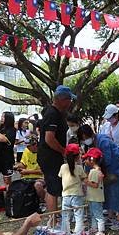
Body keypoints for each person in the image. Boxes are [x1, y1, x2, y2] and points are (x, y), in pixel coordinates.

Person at [77, 125, 119, 231]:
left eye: (85, 137)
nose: (85, 140)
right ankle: (110, 216)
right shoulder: (94, 142)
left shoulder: (103, 141)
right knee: (108, 192)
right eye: (83, 139)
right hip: (106, 170)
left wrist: (95, 169)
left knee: (117, 192)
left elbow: (107, 159)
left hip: (116, 167)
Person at [38, 85, 74, 215]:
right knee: (53, 188)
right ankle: (53, 219)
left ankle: (54, 215)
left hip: (52, 156)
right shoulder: (52, 114)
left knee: (54, 187)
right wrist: (63, 151)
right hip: (50, 156)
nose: (70, 103)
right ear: (62, 99)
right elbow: (49, 138)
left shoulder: (57, 113)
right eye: (69, 99)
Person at [58, 144, 87, 234]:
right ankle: (78, 234)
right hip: (77, 194)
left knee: (65, 216)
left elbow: (60, 176)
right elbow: (84, 179)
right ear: (78, 156)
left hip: (66, 195)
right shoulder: (79, 168)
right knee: (78, 216)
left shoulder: (63, 167)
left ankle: (65, 233)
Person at [83, 147, 106, 235]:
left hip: (95, 197)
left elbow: (95, 185)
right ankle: (94, 228)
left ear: (91, 159)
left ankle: (101, 230)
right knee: (93, 213)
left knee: (97, 214)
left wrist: (85, 181)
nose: (85, 161)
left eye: (87, 158)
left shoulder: (94, 172)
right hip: (94, 197)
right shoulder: (98, 170)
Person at [16, 135, 46, 202]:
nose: (28, 147)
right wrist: (17, 167)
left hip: (41, 177)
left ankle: (43, 201)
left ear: (35, 144)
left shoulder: (43, 152)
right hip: (26, 177)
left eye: (29, 146)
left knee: (38, 185)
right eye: (27, 146)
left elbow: (43, 171)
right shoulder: (26, 150)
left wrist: (27, 172)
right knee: (16, 186)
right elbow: (23, 164)